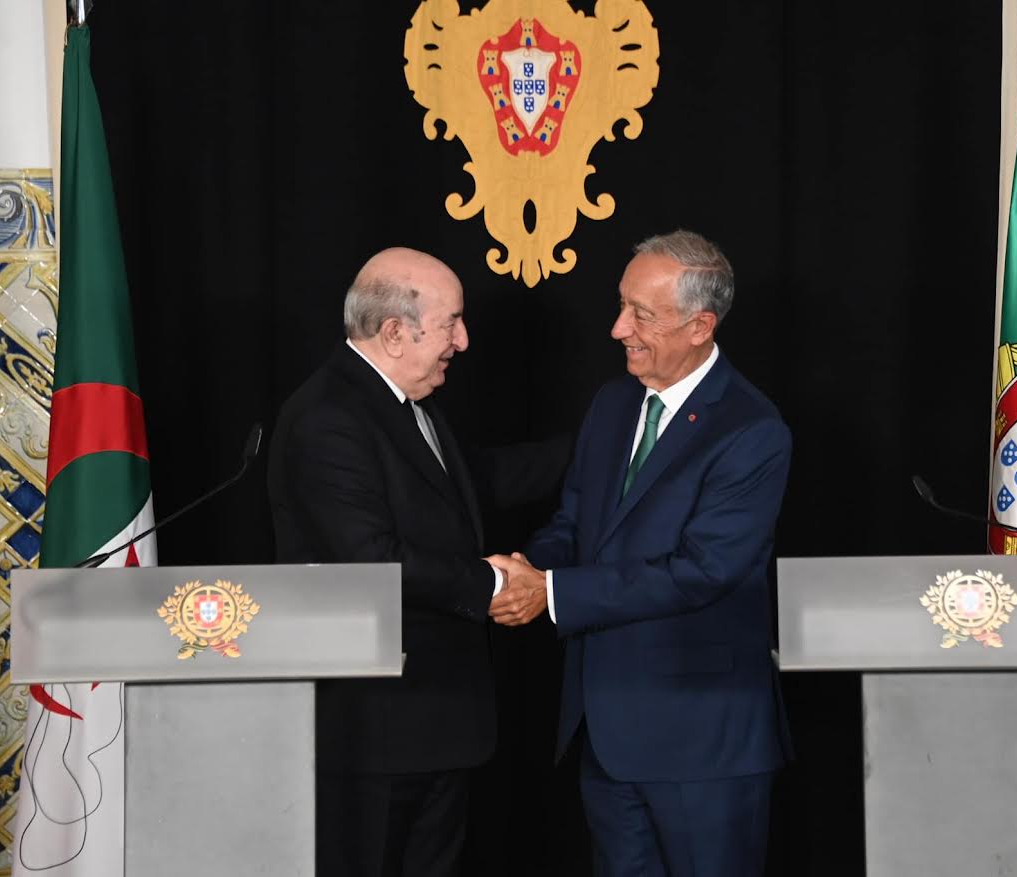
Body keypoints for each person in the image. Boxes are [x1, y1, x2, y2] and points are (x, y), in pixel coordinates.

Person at [489, 230, 793, 877]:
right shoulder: (612, 403)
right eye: (622, 305)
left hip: (701, 744)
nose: (618, 328)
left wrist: (551, 592)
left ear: (700, 326)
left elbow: (702, 571)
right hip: (606, 732)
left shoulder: (751, 430)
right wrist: (526, 572)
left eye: (641, 314)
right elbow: (575, 523)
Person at [268, 247, 562, 877]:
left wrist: (606, 446)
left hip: (432, 727)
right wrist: (495, 582)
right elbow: (369, 559)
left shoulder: (402, 403)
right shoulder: (327, 417)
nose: (464, 340)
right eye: (451, 322)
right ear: (396, 333)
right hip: (377, 734)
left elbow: (476, 482)